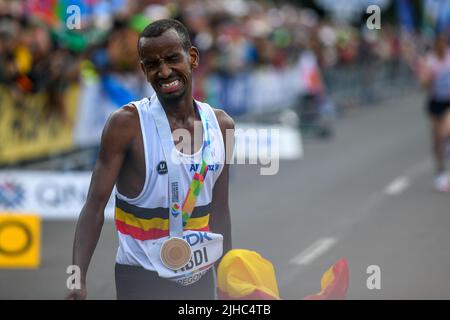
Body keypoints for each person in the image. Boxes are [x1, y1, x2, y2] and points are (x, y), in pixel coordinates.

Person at [66, 19, 234, 300]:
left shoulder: (223, 126)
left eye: (172, 59)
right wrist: (76, 278)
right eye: (153, 64)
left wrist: (228, 277)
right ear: (143, 70)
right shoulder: (126, 125)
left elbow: (219, 209)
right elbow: (94, 206)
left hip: (199, 277)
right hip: (140, 279)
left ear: (192, 58)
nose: (164, 71)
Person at [419, 33, 450, 192]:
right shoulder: (429, 61)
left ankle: (447, 146)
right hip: (435, 103)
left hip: (448, 102)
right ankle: (441, 174)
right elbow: (422, 85)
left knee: (447, 131)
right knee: (437, 141)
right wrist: (428, 78)